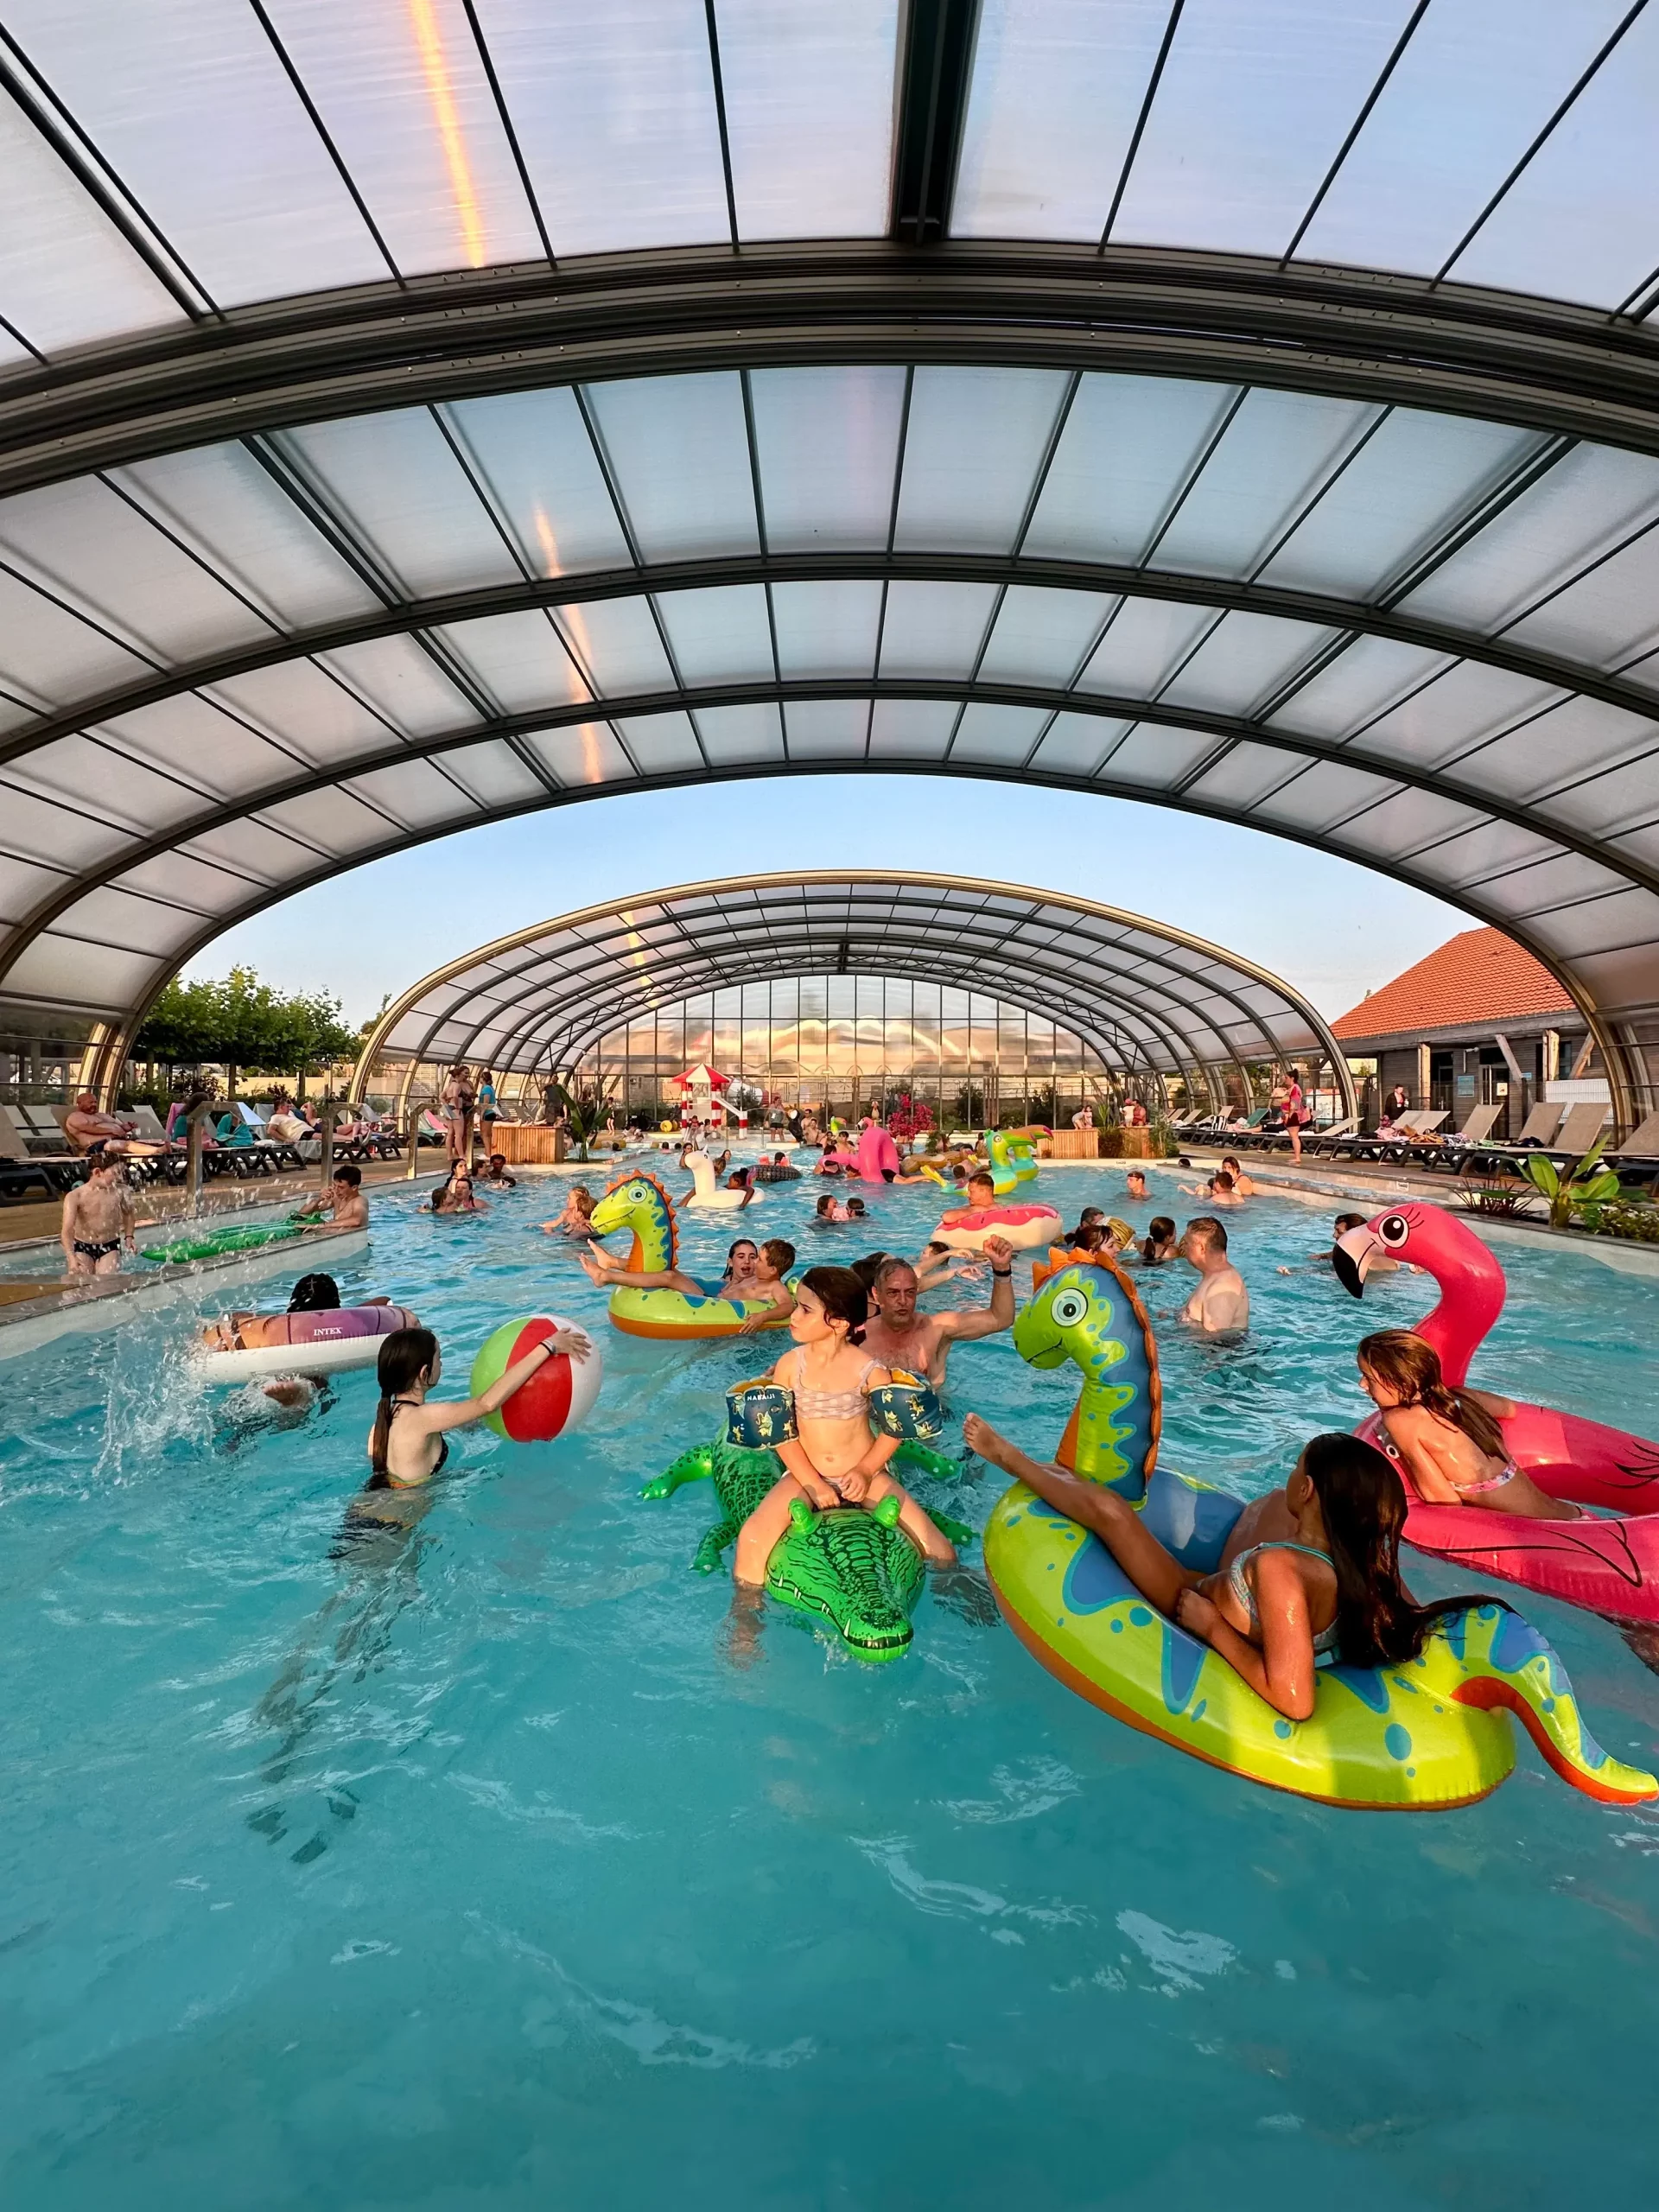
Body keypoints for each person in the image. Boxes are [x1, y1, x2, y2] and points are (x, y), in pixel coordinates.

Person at [959, 1422, 1482, 1721]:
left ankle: (1010, 1458)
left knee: (1112, 1514)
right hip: (1231, 1597)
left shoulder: (1281, 1568)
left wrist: (1210, 1626)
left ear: (1310, 1491)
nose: (1292, 1474)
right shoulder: (1361, 1568)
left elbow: (1295, 1702)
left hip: (1182, 1601)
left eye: (1298, 1466)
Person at [732, 1268, 956, 1588]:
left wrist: (865, 1471)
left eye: (805, 1310)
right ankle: (746, 1626)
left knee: (939, 1549)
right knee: (752, 1539)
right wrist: (812, 1484)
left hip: (865, 1475)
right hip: (804, 1474)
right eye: (796, 1305)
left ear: (838, 1323)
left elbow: (894, 1429)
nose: (793, 1316)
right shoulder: (790, 1366)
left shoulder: (869, 1371)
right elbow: (780, 1433)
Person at [1357, 1330, 1580, 1520]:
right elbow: (1509, 1409)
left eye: (1369, 1378)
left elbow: (1442, 1500)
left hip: (1544, 1534)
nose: (1362, 1385)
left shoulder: (1401, 1421)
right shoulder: (1464, 1398)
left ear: (1401, 1381)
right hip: (1573, 1516)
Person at [364, 1322, 591, 1488]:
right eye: (438, 1358)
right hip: (393, 1529)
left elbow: (406, 1482)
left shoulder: (381, 1426)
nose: (441, 1363)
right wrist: (548, 1346)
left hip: (366, 1514)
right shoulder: (424, 1418)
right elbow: (487, 1403)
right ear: (425, 1373)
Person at [861, 1239, 1017, 1392]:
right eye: (893, 1293)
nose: (903, 1301)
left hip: (935, 1415)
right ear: (876, 1294)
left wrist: (1001, 1269)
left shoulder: (937, 1329)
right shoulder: (857, 1335)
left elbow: (1000, 1319)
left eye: (910, 1292)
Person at [582, 1236, 798, 1332]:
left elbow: (787, 1306)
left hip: (708, 1305)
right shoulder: (755, 1277)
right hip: (711, 1299)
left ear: (773, 1270)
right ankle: (612, 1262)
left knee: (669, 1277)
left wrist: (762, 1316)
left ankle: (606, 1277)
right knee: (670, 1272)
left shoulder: (774, 1286)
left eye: (757, 1258)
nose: (753, 1262)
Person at [60, 1148, 137, 1276]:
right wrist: (71, 1258)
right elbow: (67, 1230)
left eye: (122, 1173)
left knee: (107, 1283)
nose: (120, 1177)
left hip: (109, 1245)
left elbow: (128, 1214)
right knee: (79, 1283)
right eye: (116, 1173)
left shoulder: (122, 1191)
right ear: (97, 1172)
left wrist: (129, 1237)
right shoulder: (75, 1196)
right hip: (82, 1246)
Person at [1179, 1216, 1249, 1333]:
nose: (1183, 1247)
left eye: (1187, 1243)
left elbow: (1214, 1342)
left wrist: (1166, 1338)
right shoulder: (1212, 1276)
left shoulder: (1221, 1288)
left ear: (1201, 1248)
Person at [62, 1089, 168, 1158]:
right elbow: (90, 1128)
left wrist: (126, 1127)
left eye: (95, 1102)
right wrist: (112, 1131)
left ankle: (165, 1147)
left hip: (116, 1140)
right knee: (125, 1145)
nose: (94, 1104)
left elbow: (119, 1126)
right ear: (80, 1103)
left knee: (146, 1141)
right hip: (96, 1147)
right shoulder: (75, 1117)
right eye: (91, 1102)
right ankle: (157, 1151)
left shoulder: (101, 1115)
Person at [294, 1161, 368, 1232]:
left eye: (341, 1187)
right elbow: (302, 1214)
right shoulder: (338, 1198)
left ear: (354, 1188)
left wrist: (320, 1226)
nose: (336, 1190)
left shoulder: (359, 1201)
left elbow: (356, 1221)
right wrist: (319, 1199)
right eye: (335, 1185)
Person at [442, 1064, 475, 1165]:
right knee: (459, 1135)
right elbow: (456, 1096)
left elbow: (441, 1096)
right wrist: (457, 1106)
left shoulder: (449, 1086)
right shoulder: (457, 1085)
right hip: (456, 1110)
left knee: (450, 1133)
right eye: (463, 1075)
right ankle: (461, 1154)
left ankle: (449, 1155)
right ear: (459, 1075)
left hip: (449, 1110)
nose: (465, 1077)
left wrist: (447, 1104)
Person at [475, 1069, 499, 1150]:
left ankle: (488, 1153)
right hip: (490, 1113)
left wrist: (482, 1114)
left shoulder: (486, 1089)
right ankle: (488, 1152)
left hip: (488, 1113)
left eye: (480, 1078)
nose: (479, 1079)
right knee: (487, 1134)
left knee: (485, 1134)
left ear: (483, 1079)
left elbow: (486, 1103)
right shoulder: (489, 1088)